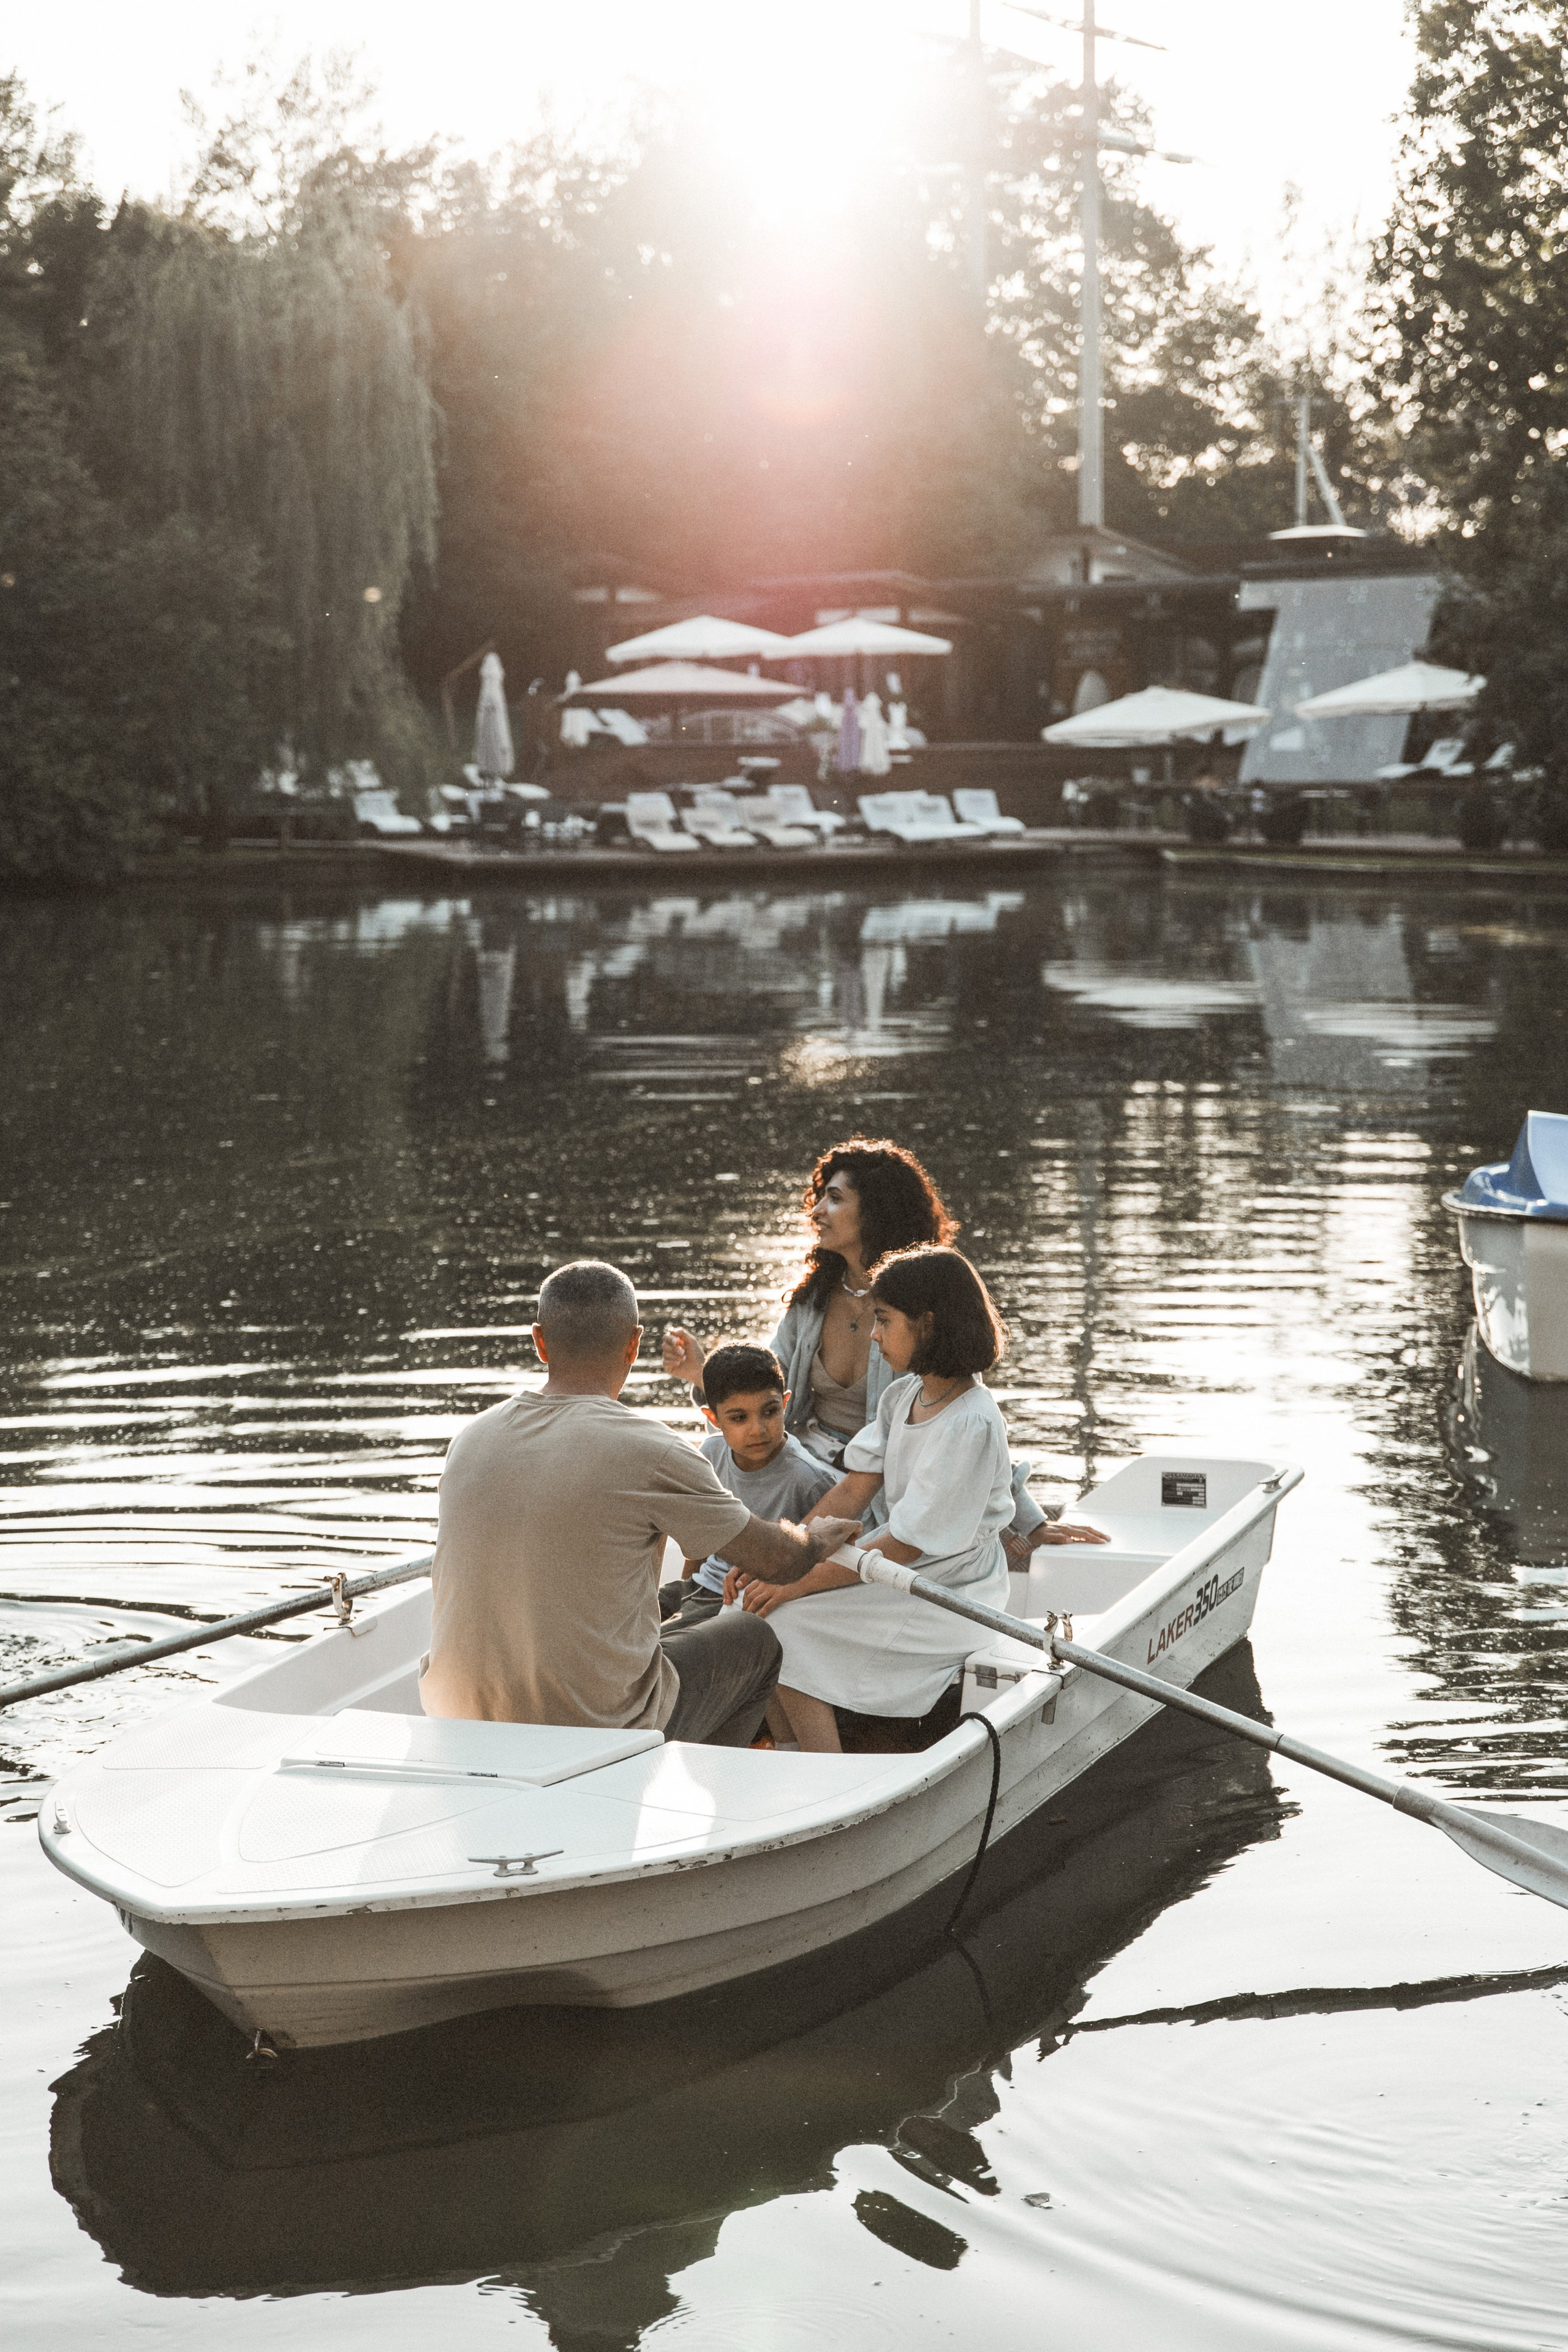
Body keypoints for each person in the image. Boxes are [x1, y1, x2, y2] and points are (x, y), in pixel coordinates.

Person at [419, 1262, 862, 1747]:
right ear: (634, 1344)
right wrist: (819, 1535)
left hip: (454, 1715)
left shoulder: (470, 1439)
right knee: (753, 1639)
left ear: (539, 1341)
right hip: (596, 1730)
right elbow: (779, 1560)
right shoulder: (651, 1449)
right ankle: (706, 1792)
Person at [724, 1245, 1106, 1754]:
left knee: (786, 1622)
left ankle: (825, 1771)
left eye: (884, 1320)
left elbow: (908, 1544)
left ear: (927, 1324)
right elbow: (854, 1490)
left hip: (952, 1593)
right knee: (752, 1612)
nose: (875, 1334)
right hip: (903, 1573)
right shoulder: (903, 1396)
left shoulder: (970, 1420)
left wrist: (795, 1583)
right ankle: (791, 1748)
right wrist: (781, 1552)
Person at [662, 1136, 1064, 1563]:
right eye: (820, 1199)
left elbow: (966, 1411)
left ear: (877, 1209)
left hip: (884, 1487)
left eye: (834, 1199)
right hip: (814, 1478)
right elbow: (763, 1386)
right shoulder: (811, 1301)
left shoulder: (918, 1307)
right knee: (722, 1457)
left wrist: (1030, 1522)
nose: (816, 1212)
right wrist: (703, 1372)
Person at [658, 1343, 841, 1630]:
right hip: (699, 1585)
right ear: (713, 1419)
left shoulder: (809, 1480)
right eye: (739, 1418)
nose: (758, 1429)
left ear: (785, 1403)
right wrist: (683, 1588)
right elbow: (702, 1536)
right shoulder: (711, 1453)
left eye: (769, 1411)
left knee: (655, 1642)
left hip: (737, 1601)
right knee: (619, 1614)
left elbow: (826, 1558)